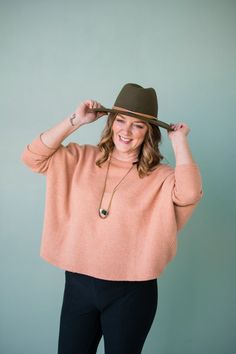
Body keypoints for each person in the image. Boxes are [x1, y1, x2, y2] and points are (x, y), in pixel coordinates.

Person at [21, 83, 203, 354]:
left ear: (149, 133)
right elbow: (32, 157)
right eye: (120, 120)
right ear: (111, 123)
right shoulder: (80, 157)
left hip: (131, 292)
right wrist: (75, 121)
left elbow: (190, 193)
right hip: (79, 285)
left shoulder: (161, 176)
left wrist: (180, 143)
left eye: (138, 125)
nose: (126, 131)